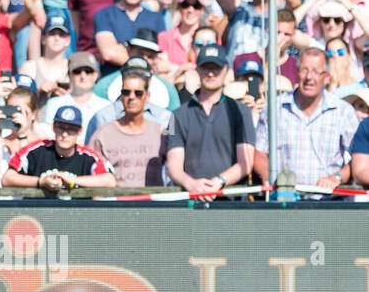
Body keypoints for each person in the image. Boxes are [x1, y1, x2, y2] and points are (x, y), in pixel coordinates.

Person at [255, 48, 358, 188]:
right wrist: (269, 176)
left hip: (328, 203)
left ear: (327, 77)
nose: (309, 77)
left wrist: (337, 178)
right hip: (284, 200)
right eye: (304, 70)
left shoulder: (343, 112)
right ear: (296, 73)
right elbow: (259, 152)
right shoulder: (274, 108)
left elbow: (360, 157)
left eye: (316, 71)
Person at [164, 43, 255, 198]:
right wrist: (192, 184)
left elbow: (246, 163)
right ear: (197, 70)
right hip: (191, 200)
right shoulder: (176, 115)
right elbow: (173, 165)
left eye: (216, 68)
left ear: (226, 70)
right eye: (206, 67)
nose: (211, 74)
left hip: (231, 201)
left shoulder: (242, 112)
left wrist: (219, 181)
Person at [2, 105, 114, 191]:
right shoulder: (35, 151)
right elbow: (7, 178)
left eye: (71, 129)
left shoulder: (88, 157)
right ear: (53, 127)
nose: (65, 134)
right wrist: (40, 182)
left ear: (80, 131)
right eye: (61, 127)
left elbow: (110, 181)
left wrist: (72, 181)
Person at [88, 67, 168, 187]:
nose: (131, 97)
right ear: (121, 96)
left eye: (138, 93)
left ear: (147, 96)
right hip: (115, 203)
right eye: (126, 92)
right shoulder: (102, 135)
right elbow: (93, 174)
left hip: (154, 203)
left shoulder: (161, 133)